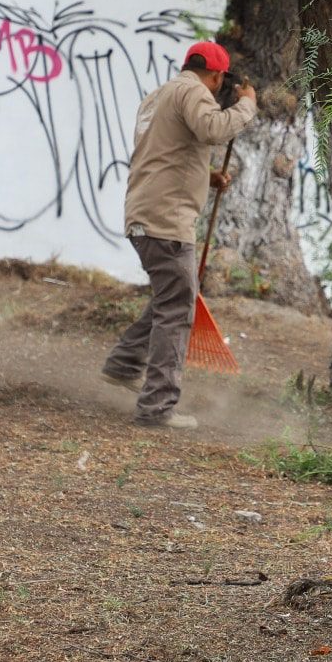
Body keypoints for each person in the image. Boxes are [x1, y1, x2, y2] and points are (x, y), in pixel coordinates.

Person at [101, 41, 257, 429]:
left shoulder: (160, 96)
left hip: (145, 214)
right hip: (166, 221)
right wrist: (247, 104)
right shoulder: (192, 91)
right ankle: (156, 407)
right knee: (177, 308)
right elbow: (214, 128)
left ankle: (123, 364)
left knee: (172, 297)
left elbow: (164, 153)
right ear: (218, 77)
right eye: (222, 85)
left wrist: (206, 177)